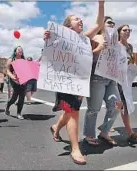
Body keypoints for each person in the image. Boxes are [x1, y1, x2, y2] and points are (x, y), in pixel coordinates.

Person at [44, 1, 105, 165]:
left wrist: (101, 4)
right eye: (76, 19)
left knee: (71, 110)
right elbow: (49, 54)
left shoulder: (84, 38)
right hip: (65, 82)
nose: (80, 20)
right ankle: (75, 148)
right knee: (73, 113)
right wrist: (47, 38)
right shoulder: (59, 37)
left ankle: (56, 127)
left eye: (80, 19)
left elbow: (99, 23)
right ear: (68, 25)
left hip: (79, 82)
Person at [83, 16, 122, 147]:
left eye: (114, 23)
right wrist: (99, 48)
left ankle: (104, 132)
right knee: (94, 108)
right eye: (109, 22)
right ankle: (89, 135)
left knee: (116, 105)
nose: (112, 24)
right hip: (97, 77)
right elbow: (84, 56)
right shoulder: (94, 38)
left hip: (111, 78)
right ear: (102, 25)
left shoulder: (116, 42)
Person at [117, 24, 137, 143]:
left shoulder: (130, 47)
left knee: (123, 105)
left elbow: (131, 62)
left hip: (126, 79)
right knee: (119, 105)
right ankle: (129, 132)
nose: (127, 32)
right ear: (119, 32)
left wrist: (135, 60)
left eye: (129, 30)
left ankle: (129, 132)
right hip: (117, 78)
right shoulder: (116, 45)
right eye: (125, 30)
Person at [5, 46, 26, 120]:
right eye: (18, 49)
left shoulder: (24, 60)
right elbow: (7, 70)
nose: (20, 50)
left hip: (22, 81)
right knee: (13, 98)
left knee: (22, 98)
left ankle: (19, 113)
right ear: (15, 51)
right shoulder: (11, 59)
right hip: (13, 81)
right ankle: (7, 106)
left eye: (21, 49)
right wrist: (12, 76)